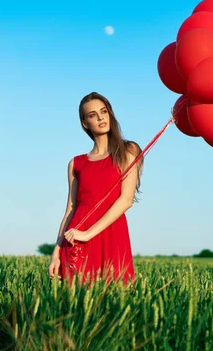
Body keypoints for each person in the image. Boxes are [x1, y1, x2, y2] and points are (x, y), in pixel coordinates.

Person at [48, 91, 143, 285]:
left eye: (104, 111)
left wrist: (88, 233)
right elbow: (70, 210)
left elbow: (126, 201)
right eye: (92, 115)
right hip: (76, 237)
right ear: (85, 123)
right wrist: (56, 252)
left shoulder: (127, 151)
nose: (100, 117)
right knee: (76, 302)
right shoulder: (76, 163)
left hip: (111, 233)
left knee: (117, 295)